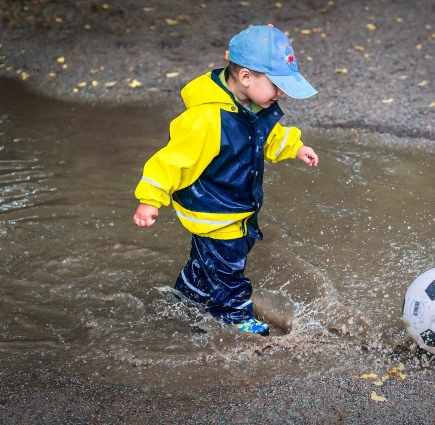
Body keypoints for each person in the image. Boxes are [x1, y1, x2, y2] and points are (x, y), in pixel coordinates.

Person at [132, 25, 319, 336]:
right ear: (246, 77)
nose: (281, 93)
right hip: (216, 210)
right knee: (230, 270)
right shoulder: (206, 119)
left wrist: (295, 148)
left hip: (228, 206)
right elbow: (171, 160)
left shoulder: (251, 107)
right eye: (276, 84)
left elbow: (266, 137)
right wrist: (150, 200)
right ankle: (233, 316)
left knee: (205, 261)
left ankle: (186, 297)